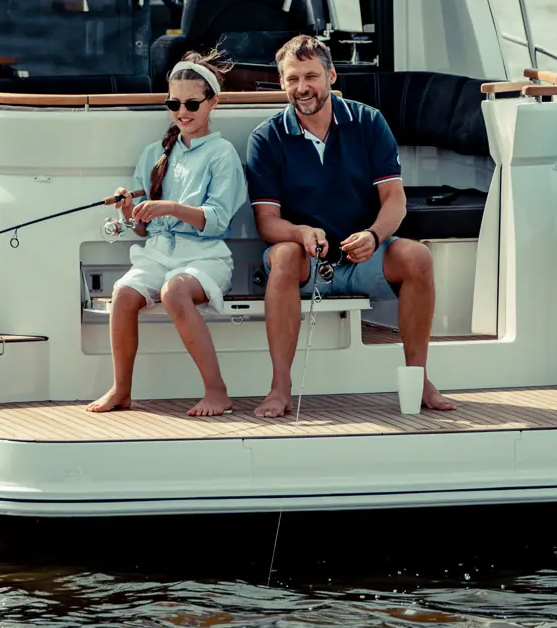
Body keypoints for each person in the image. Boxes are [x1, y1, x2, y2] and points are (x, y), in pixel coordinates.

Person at [244, 36, 457, 418]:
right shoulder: (266, 138)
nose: (302, 87)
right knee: (284, 255)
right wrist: (301, 233)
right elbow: (267, 222)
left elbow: (395, 201)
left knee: (417, 257)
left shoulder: (369, 122)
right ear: (282, 83)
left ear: (331, 75)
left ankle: (420, 379)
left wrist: (374, 236)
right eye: (292, 79)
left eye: (311, 76)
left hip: (366, 256)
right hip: (307, 260)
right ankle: (279, 388)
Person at [88, 51, 246, 417]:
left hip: (206, 256)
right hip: (158, 254)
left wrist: (171, 207)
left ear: (213, 102)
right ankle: (121, 390)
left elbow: (218, 221)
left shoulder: (222, 153)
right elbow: (141, 228)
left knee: (174, 291)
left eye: (192, 104)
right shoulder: (154, 153)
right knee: (123, 294)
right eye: (173, 104)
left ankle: (217, 392)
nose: (182, 112)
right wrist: (129, 210)